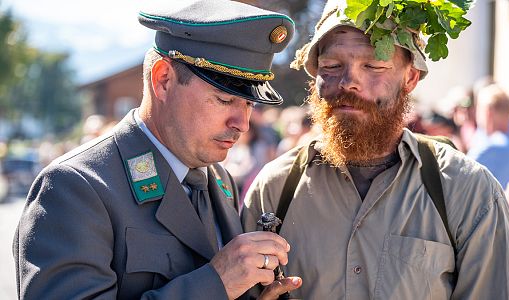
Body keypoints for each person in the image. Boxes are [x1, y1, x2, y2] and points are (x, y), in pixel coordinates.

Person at [13, 1, 302, 299]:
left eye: (249, 104)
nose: (242, 123)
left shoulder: (218, 179)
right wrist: (217, 282)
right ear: (163, 80)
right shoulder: (76, 187)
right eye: (224, 100)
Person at [241, 0, 509, 299]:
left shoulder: (467, 191)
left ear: (410, 78)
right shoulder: (275, 190)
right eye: (331, 66)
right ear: (315, 79)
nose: (349, 82)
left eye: (374, 65)